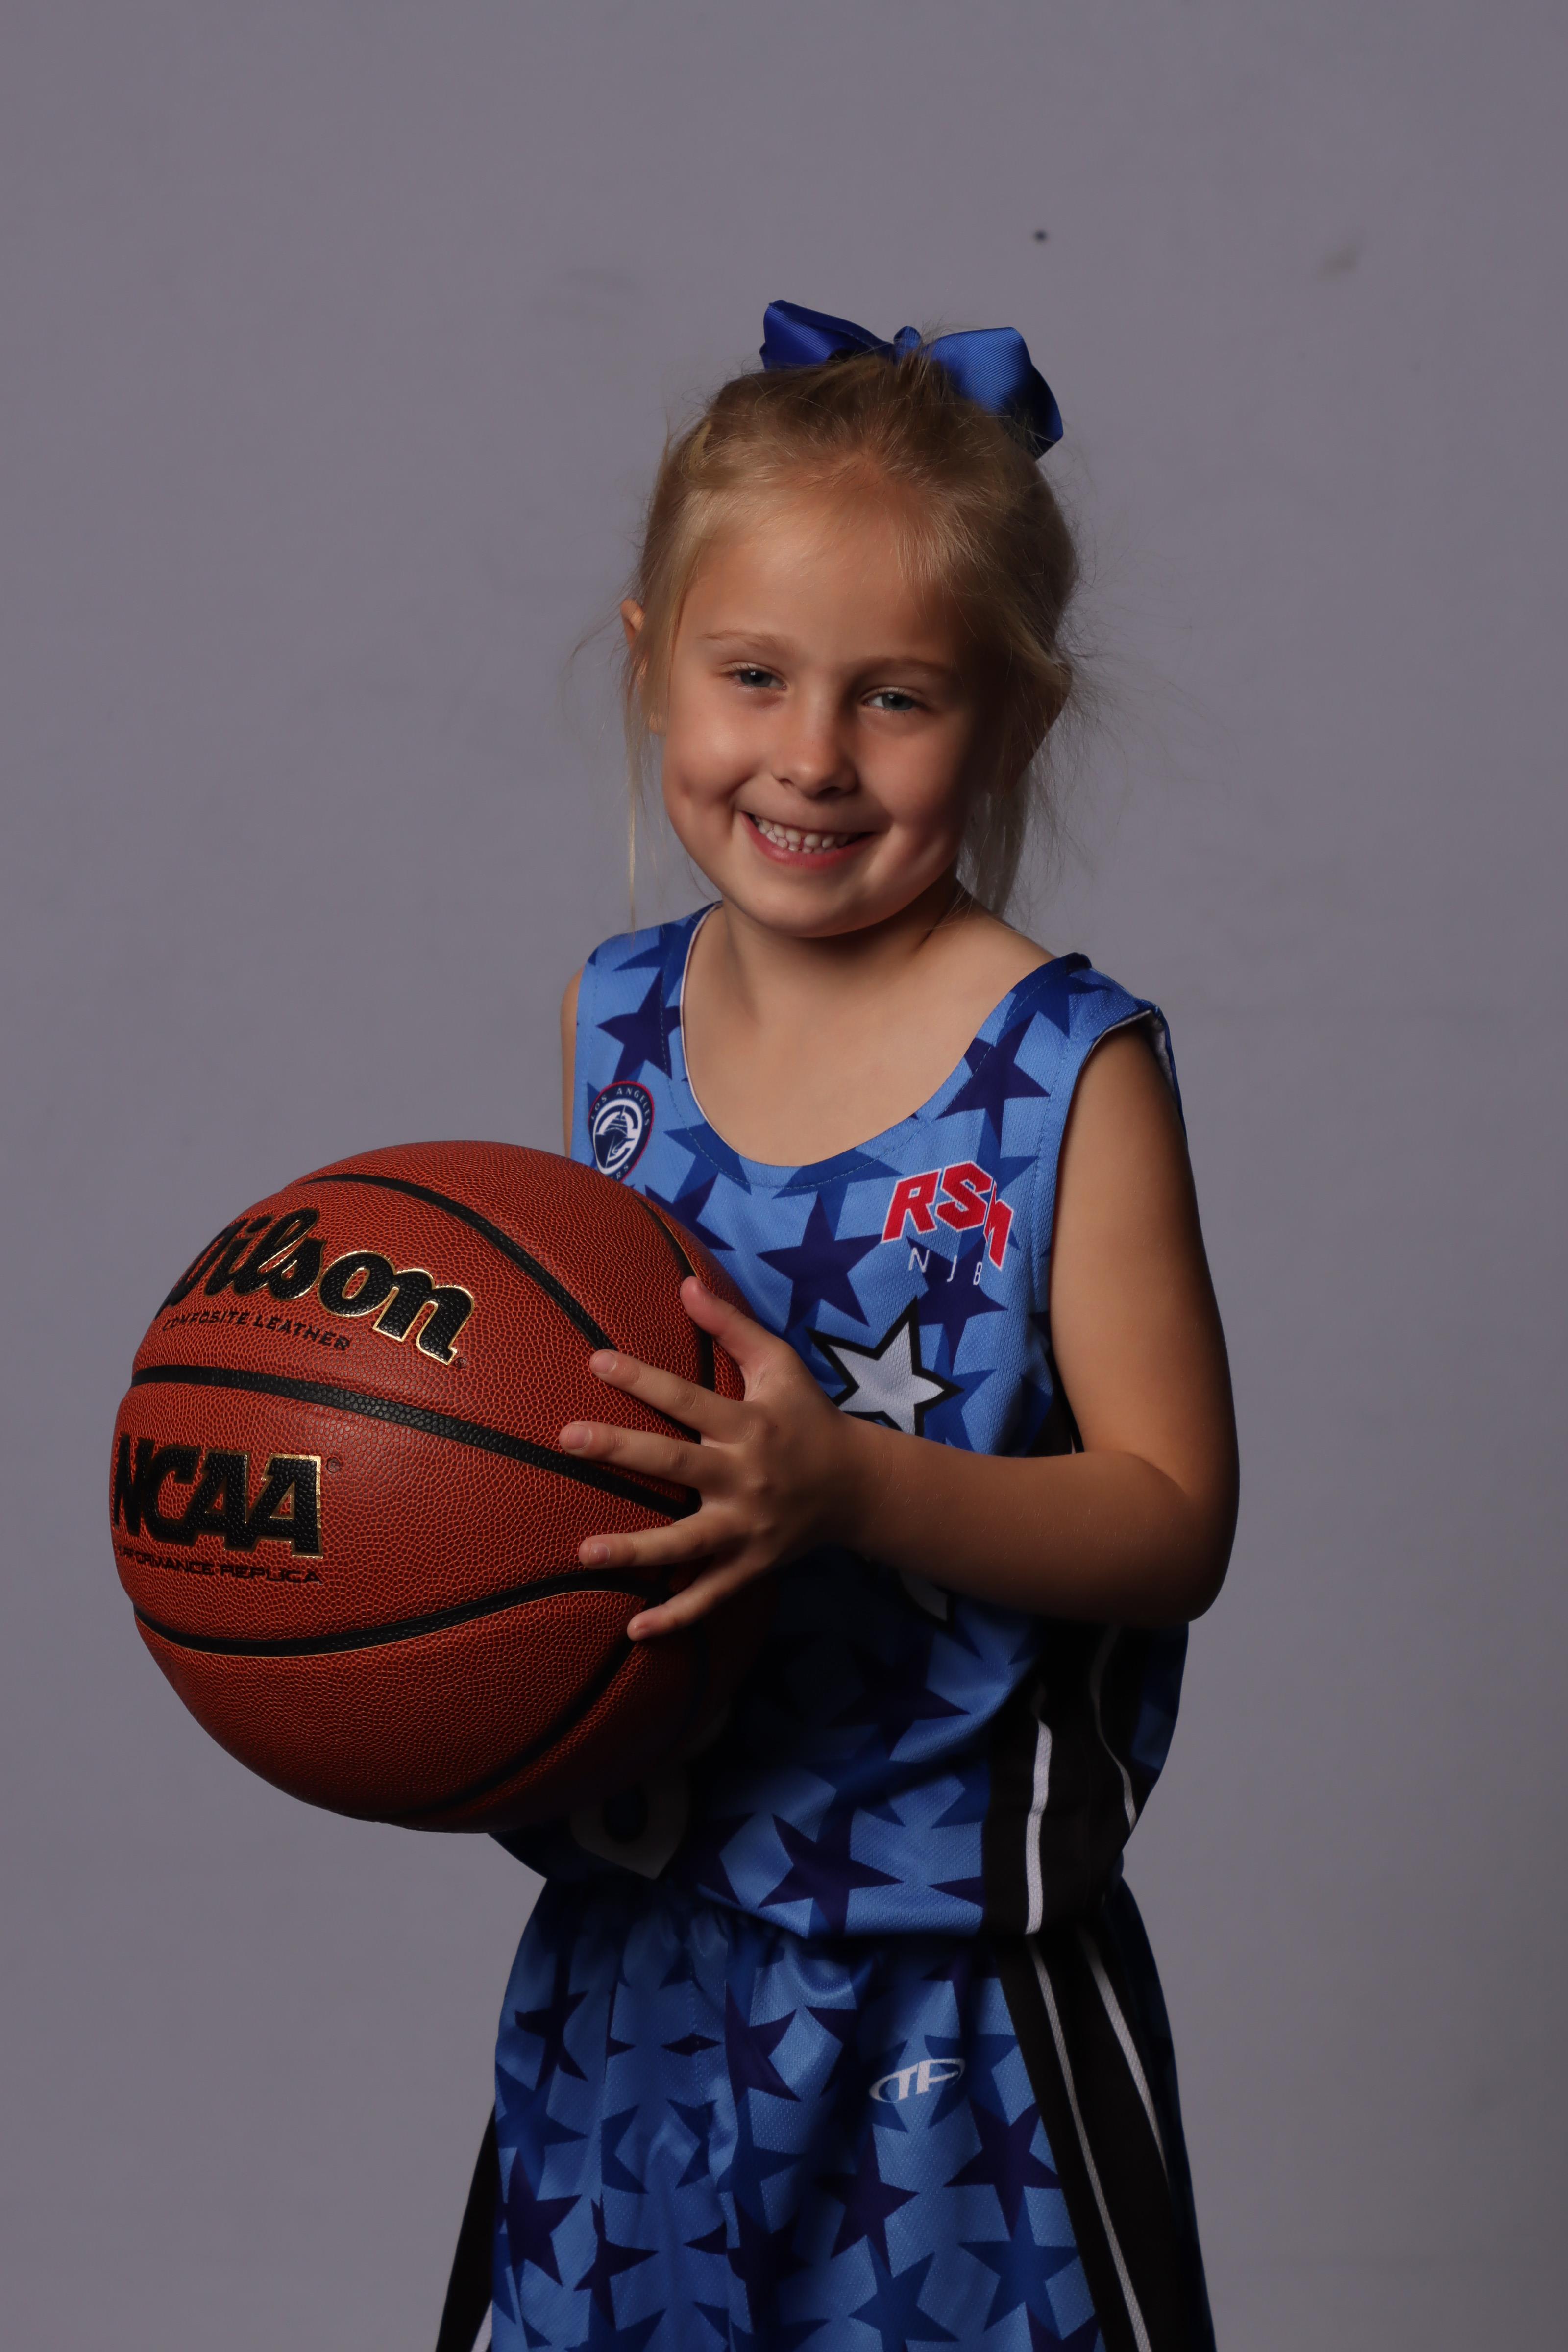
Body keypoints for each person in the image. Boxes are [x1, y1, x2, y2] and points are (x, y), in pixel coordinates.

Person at [485, 301, 1237, 2352]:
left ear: (1012, 721)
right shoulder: (614, 1021)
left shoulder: (1064, 1073)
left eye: (895, 697)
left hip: (946, 1987)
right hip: (637, 1948)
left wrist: (846, 1484)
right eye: (752, 676)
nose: (811, 756)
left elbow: (1173, 1516)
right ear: (651, 666)